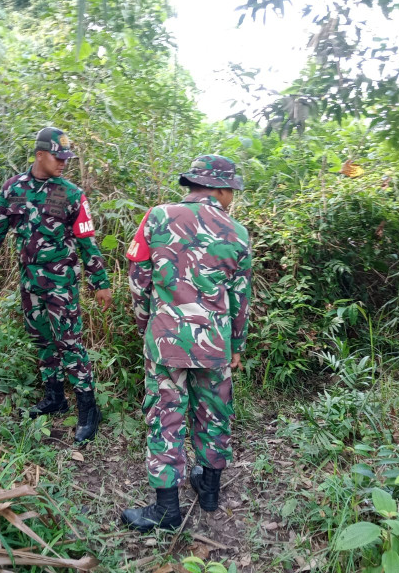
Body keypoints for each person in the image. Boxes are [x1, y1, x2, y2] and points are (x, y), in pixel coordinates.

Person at [121, 155, 252, 532]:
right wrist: (237, 344)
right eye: (232, 192)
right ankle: (209, 492)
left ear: (195, 184)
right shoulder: (238, 233)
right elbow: (241, 299)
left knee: (165, 417)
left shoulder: (157, 216)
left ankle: (166, 510)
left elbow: (138, 276)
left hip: (166, 339)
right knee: (214, 412)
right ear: (222, 190)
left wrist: (145, 322)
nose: (232, 199)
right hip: (214, 342)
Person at [0, 126, 111, 444]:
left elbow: (87, 242)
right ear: (40, 154)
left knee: (70, 345)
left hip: (61, 286)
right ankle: (55, 398)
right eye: (58, 157)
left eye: (66, 157)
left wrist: (101, 281)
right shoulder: (13, 189)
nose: (63, 162)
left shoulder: (72, 194)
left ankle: (88, 409)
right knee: (43, 342)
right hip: (30, 285)